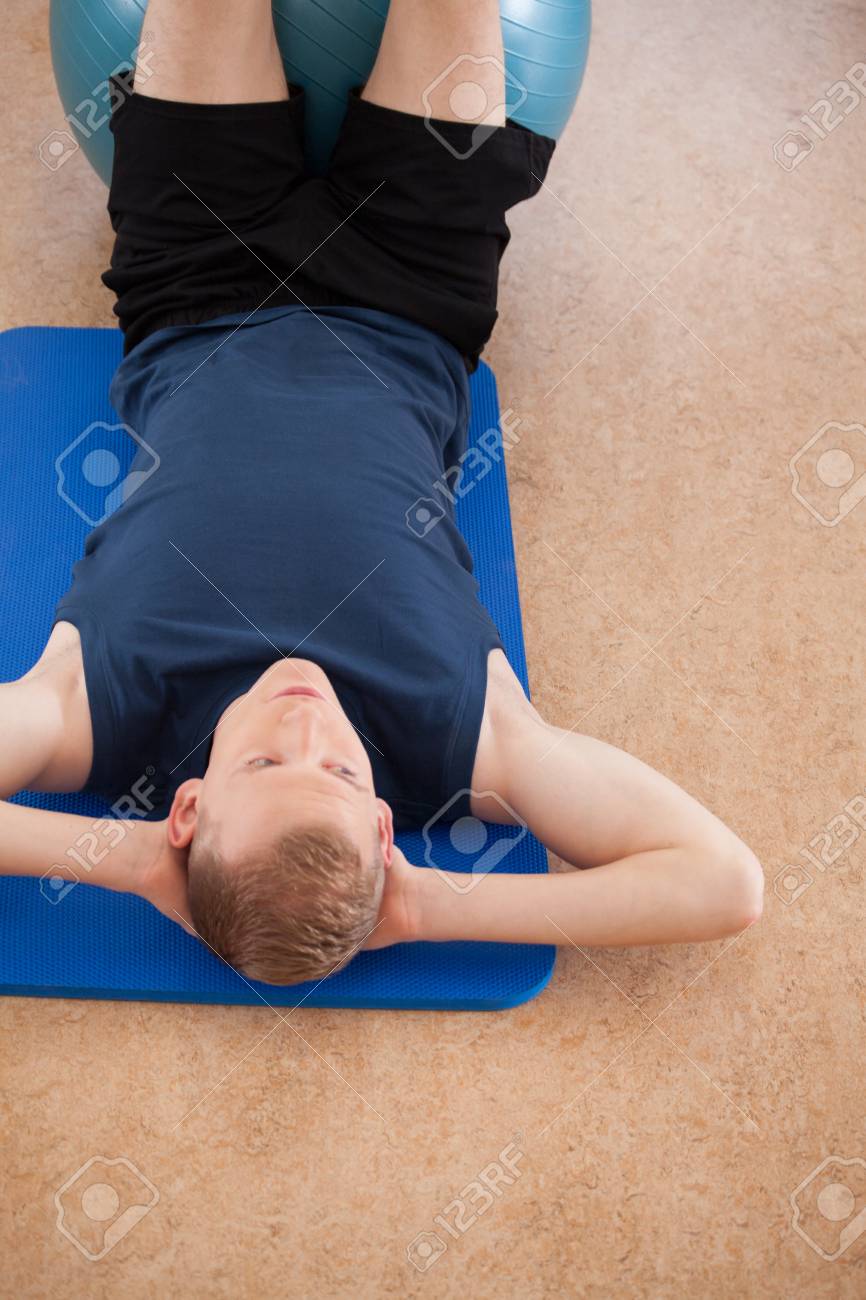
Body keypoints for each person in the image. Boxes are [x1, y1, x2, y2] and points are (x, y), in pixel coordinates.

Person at [0, 0, 763, 986]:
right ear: (380, 818)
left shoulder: (88, 717)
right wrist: (424, 905)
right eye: (341, 773)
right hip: (411, 282)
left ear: (184, 810)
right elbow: (720, 882)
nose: (305, 720)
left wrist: (129, 862)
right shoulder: (469, 745)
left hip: (198, 271)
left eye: (263, 767)